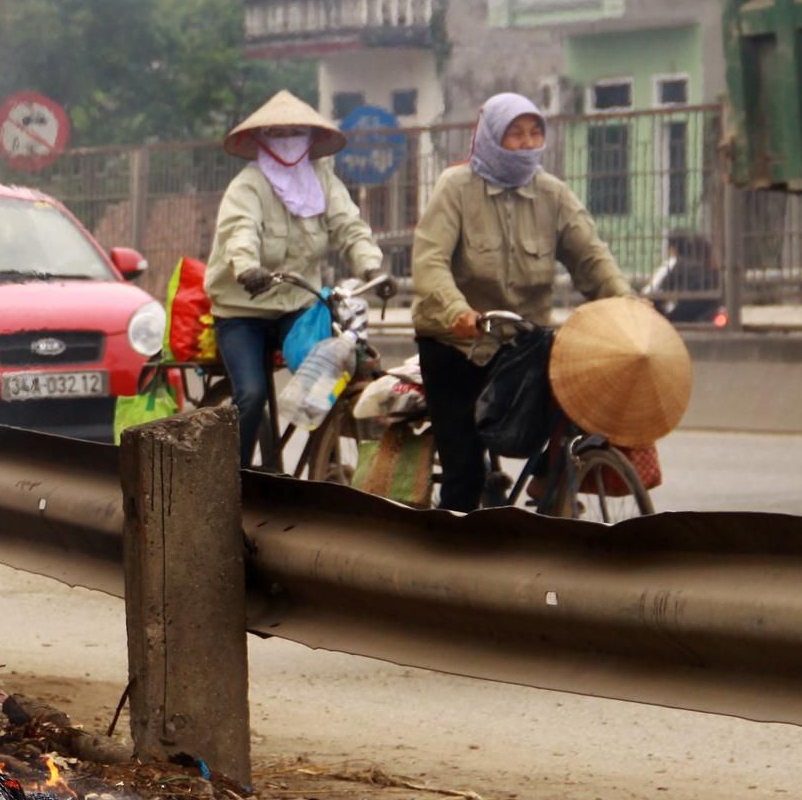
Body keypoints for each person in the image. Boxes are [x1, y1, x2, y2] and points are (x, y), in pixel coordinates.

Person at [411, 91, 635, 511]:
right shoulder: (455, 187)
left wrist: (627, 303)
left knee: (589, 381)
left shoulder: (553, 194)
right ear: (492, 137)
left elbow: (591, 257)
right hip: (457, 343)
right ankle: (450, 558)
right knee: (465, 476)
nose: (528, 143)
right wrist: (456, 311)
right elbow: (429, 260)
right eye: (516, 134)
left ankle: (549, 477)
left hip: (524, 341)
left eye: (535, 133)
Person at [204, 91, 384, 468]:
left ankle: (327, 460)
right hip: (242, 311)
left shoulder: (323, 180)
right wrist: (246, 268)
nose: (287, 139)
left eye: (295, 131)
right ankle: (229, 480)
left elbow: (349, 226)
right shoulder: (248, 186)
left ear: (310, 138)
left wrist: (371, 268)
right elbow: (241, 231)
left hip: (297, 308)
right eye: (277, 132)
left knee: (334, 377)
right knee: (252, 394)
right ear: (262, 139)